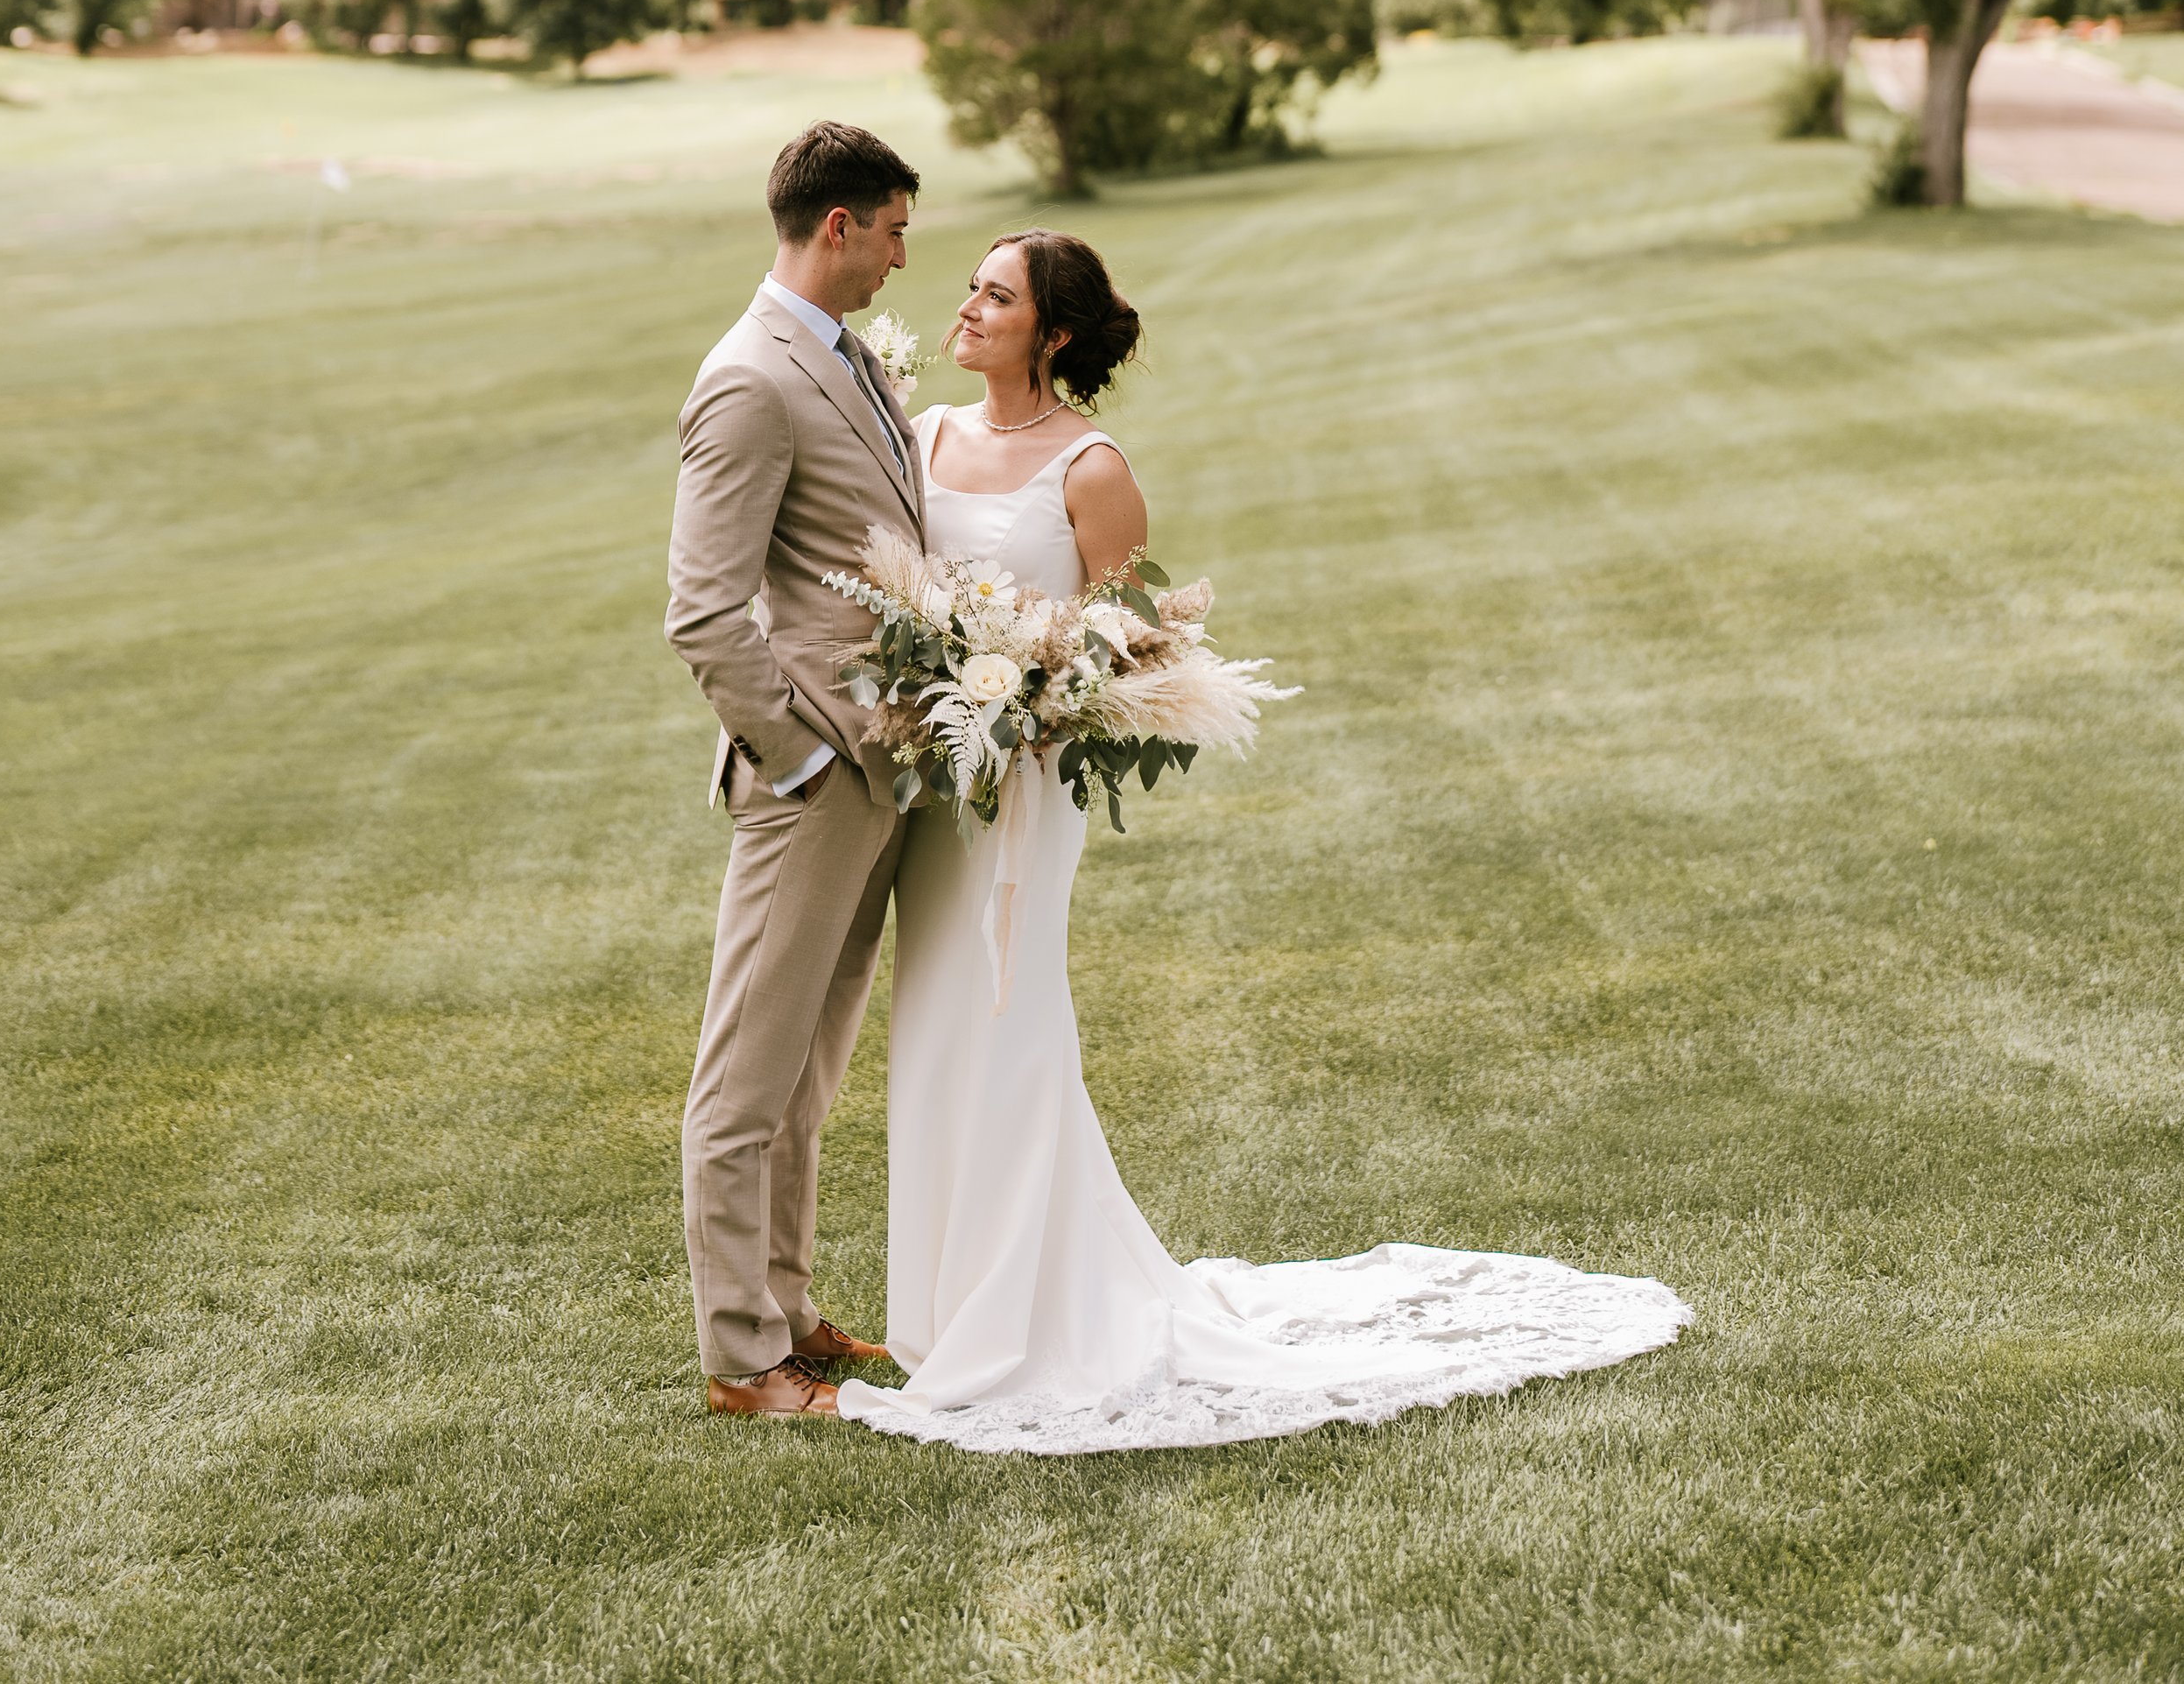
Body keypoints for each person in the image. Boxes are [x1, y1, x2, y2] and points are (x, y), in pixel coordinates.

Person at [836, 229, 1693, 1455]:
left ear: (1055, 333)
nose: (967, 306)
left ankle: (1034, 1312)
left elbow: (1129, 649)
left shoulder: (1090, 466)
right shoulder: (922, 437)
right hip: (941, 787)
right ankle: (943, 1306)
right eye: (969, 285)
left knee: (1010, 1017)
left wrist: (1038, 693)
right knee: (931, 1021)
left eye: (997, 294)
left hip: (1025, 793)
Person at [665, 117, 924, 1420]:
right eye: (890, 234)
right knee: (745, 1075)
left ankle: (788, 1309)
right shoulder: (749, 378)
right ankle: (738, 1360)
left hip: (882, 767)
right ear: (838, 227)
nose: (895, 261)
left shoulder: (847, 356)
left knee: (809, 1071)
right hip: (813, 776)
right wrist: (807, 756)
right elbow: (703, 613)